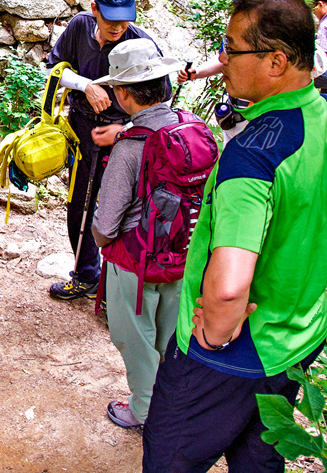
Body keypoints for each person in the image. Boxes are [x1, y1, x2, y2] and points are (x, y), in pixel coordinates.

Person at [141, 0, 327, 472]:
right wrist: (326, 258)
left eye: (231, 48)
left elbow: (229, 286)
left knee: (170, 461)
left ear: (276, 61)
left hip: (227, 356)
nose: (223, 60)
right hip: (299, 339)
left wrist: (215, 334)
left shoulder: (252, 155)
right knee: (259, 463)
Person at [90, 39, 186, 434]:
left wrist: (101, 241)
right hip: (183, 253)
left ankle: (145, 412)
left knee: (135, 338)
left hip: (135, 261)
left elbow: (107, 223)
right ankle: (170, 402)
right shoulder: (189, 128)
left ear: (124, 94)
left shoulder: (131, 147)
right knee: (169, 335)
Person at [46, 0, 162, 301]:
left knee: (120, 210)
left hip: (125, 136)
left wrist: (124, 131)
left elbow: (160, 104)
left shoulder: (141, 44)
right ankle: (86, 276)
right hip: (82, 127)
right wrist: (86, 85)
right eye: (111, 19)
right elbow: (54, 69)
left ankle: (116, 289)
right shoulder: (79, 27)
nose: (119, 27)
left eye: (125, 19)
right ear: (94, 9)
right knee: (79, 205)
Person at [176, 0, 274, 85]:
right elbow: (226, 58)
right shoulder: (237, 25)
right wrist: (197, 73)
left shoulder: (272, 32)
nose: (239, 3)